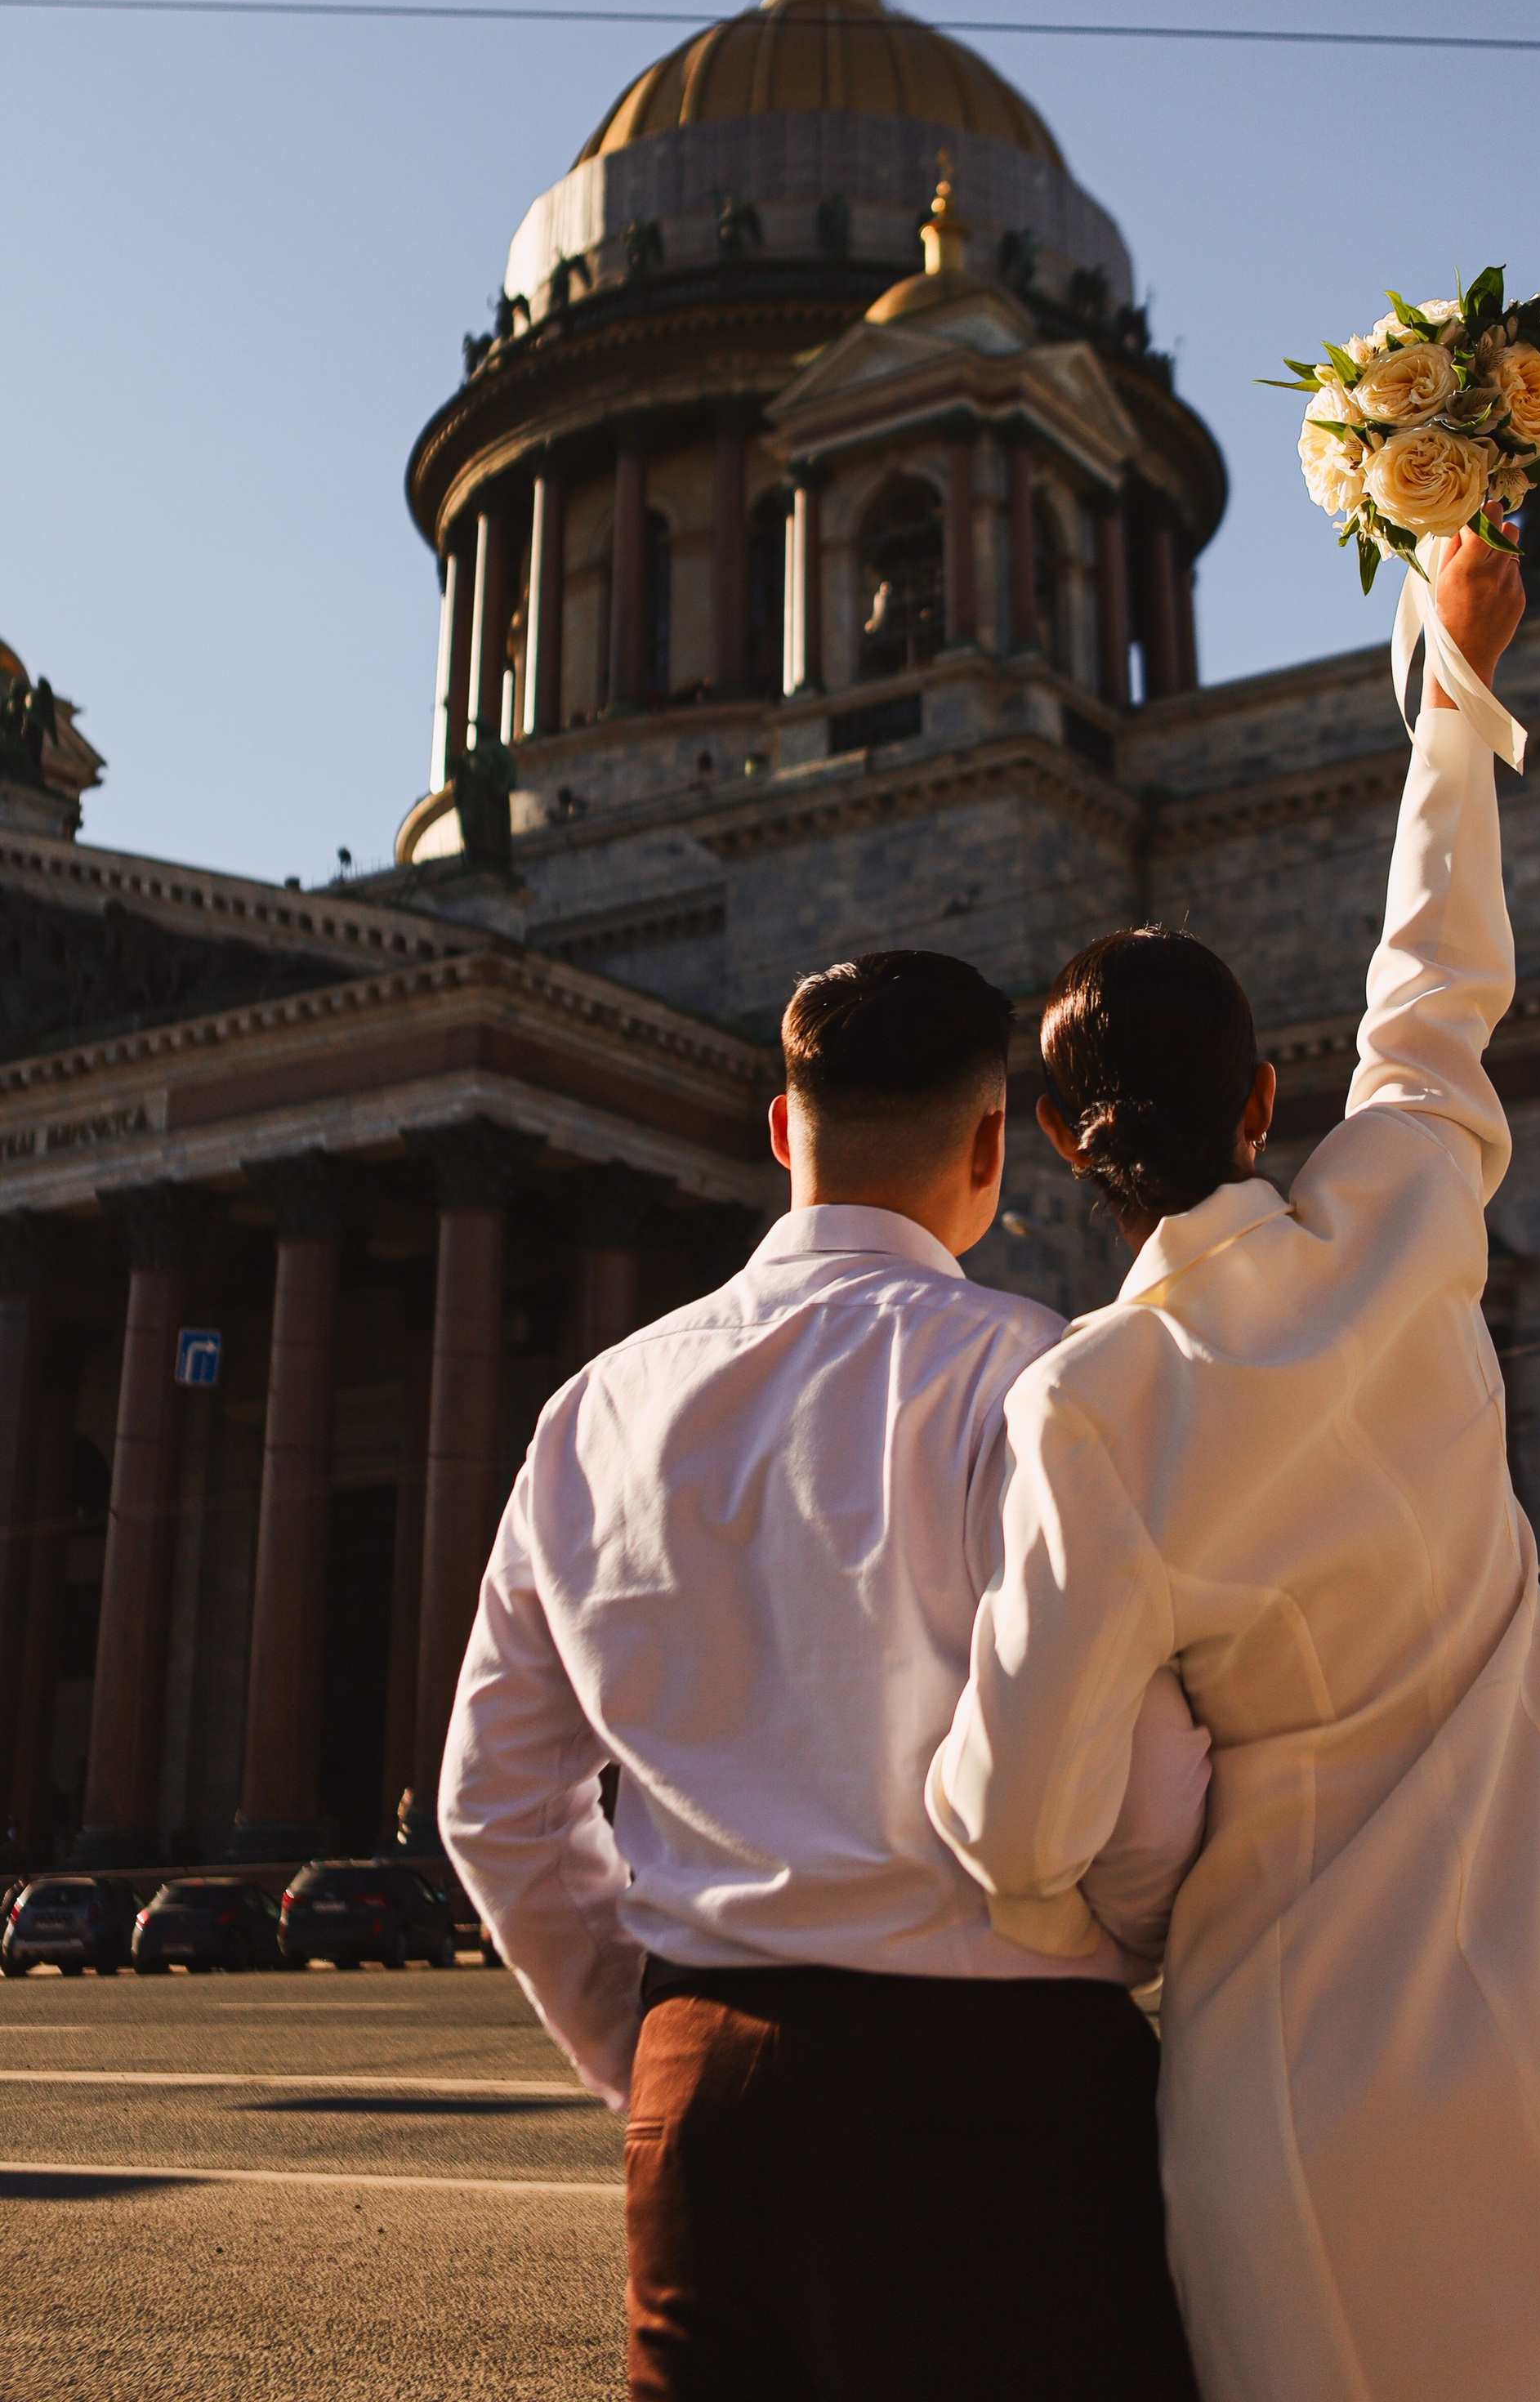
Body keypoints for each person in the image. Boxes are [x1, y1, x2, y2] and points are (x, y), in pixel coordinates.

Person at [928, 520, 1540, 2402]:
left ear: (1054, 1143)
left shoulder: (1088, 1405)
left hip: (1314, 2088)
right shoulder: (1398, 1210)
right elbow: (1434, 981)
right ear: (1266, 1099)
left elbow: (1013, 1821)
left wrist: (1116, 1908)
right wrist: (1450, 674)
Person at [440, 949, 1207, 2402]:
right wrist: (1115, 1937)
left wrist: (655, 2037)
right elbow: (1147, 1775)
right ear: (994, 1146)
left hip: (702, 2102)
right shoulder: (1037, 1381)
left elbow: (491, 1804)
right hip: (1007, 2096)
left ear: (783, 1130)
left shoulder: (593, 1409)